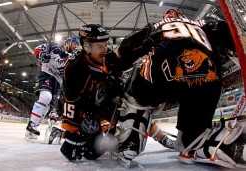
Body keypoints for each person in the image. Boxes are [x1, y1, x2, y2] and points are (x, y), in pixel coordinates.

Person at [116, 9, 245, 168]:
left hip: (164, 76)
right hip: (207, 79)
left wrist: (116, 65)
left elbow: (128, 49)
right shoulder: (202, 25)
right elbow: (230, 33)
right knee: (198, 102)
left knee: (136, 96)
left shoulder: (159, 25)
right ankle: (194, 144)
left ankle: (131, 141)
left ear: (167, 17)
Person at [60, 24, 175, 162]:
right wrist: (70, 134)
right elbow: (70, 101)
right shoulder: (75, 69)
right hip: (86, 112)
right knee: (91, 153)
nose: (105, 49)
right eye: (100, 46)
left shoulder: (107, 55)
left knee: (133, 102)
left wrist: (148, 37)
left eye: (106, 44)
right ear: (86, 46)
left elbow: (124, 59)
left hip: (105, 102)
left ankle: (161, 137)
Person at [25, 41, 70, 140]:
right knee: (45, 97)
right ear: (68, 42)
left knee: (47, 106)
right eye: (74, 43)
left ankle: (33, 127)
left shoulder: (72, 57)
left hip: (58, 82)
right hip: (46, 75)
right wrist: (42, 55)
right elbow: (38, 49)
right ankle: (31, 125)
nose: (75, 46)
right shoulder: (55, 46)